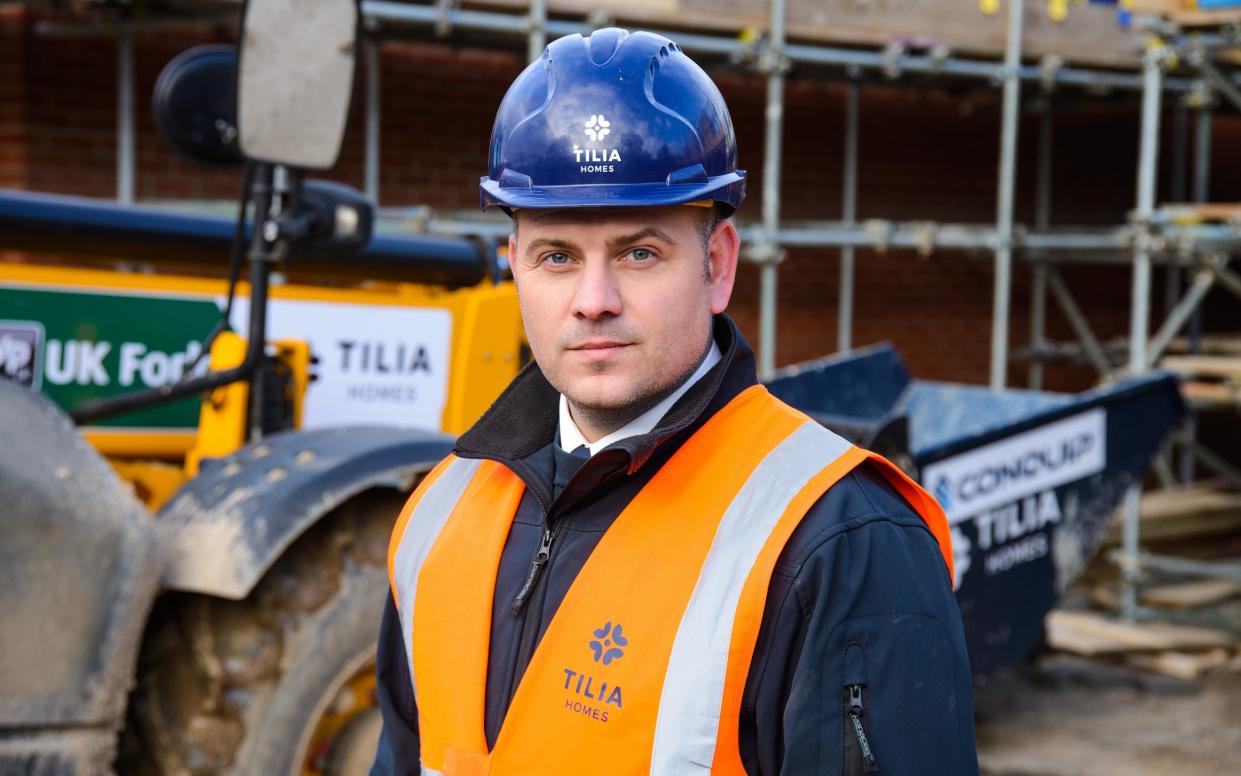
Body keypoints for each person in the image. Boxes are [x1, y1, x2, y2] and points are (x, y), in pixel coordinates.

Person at [371, 27, 978, 776]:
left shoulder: (837, 540)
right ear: (514, 271)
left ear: (718, 266)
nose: (592, 302)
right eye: (556, 256)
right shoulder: (438, 514)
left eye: (638, 253)